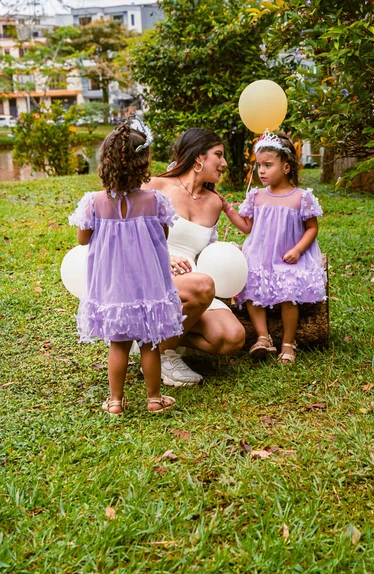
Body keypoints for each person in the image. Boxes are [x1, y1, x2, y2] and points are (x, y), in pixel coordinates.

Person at [68, 118, 185, 414]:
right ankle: (154, 399)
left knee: (118, 345)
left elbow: (83, 239)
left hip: (113, 286)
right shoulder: (155, 200)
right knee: (149, 344)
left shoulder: (94, 203)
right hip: (148, 284)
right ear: (142, 165)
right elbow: (164, 234)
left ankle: (116, 401)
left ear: (105, 164)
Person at [142, 128, 246, 386]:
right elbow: (130, 237)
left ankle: (146, 339)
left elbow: (207, 252)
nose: (223, 163)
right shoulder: (155, 187)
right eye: (218, 155)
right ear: (198, 158)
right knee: (202, 284)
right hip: (154, 277)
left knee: (233, 337)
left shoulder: (214, 203)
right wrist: (164, 257)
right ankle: (161, 357)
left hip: (194, 289)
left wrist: (228, 257)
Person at [221, 130, 326, 364]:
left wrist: (298, 249)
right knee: (251, 291)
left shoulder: (300, 197)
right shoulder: (256, 196)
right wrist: (227, 208)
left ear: (286, 167)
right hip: (259, 256)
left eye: (268, 165)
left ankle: (288, 343)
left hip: (287, 256)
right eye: (259, 165)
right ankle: (263, 337)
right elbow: (247, 227)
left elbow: (312, 228)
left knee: (288, 295)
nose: (261, 171)